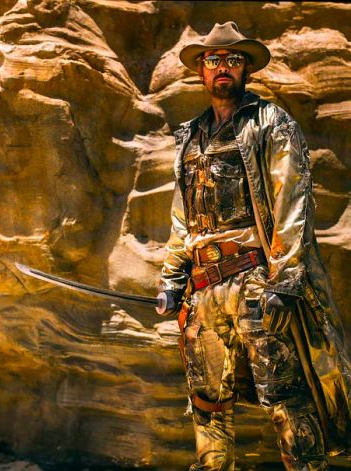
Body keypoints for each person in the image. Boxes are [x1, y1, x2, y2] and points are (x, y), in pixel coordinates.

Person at [156, 21, 351, 470]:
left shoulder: (271, 123)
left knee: (286, 396)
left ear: (246, 69)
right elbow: (181, 218)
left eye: (232, 60)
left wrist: (284, 281)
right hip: (203, 289)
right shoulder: (190, 138)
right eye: (213, 61)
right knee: (207, 405)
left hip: (258, 282)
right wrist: (172, 279)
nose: (222, 68)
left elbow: (292, 205)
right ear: (201, 72)